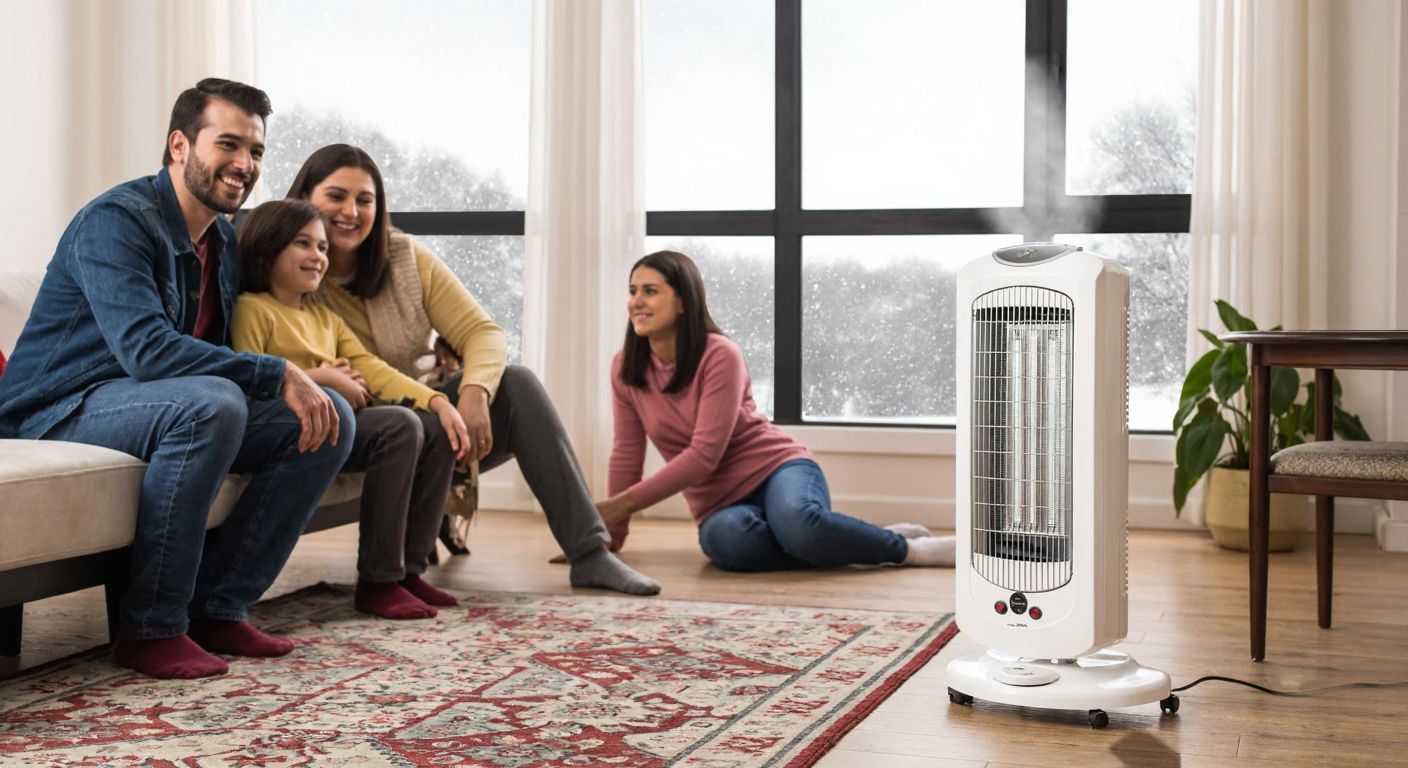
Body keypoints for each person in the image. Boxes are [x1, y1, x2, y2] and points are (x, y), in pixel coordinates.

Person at [0, 79, 353, 679]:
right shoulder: (116, 221)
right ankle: (152, 628)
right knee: (210, 404)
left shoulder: (220, 238)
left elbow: (206, 350)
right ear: (180, 146)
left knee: (326, 420)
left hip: (144, 407)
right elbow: (147, 351)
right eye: (229, 144)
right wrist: (277, 371)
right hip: (56, 410)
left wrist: (292, 383)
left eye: (257, 152)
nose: (244, 164)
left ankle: (218, 607)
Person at [285, 144, 659, 596]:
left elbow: (483, 333)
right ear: (305, 196)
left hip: (430, 410)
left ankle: (590, 553)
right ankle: (404, 560)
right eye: (336, 196)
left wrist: (475, 393)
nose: (351, 211)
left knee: (516, 384)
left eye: (365, 200)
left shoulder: (404, 257)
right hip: (367, 422)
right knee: (412, 422)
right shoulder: (285, 264)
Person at [599, 250, 956, 572]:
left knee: (799, 525)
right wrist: (611, 535)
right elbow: (627, 452)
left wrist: (617, 505)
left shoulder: (719, 354)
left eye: (650, 290)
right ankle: (862, 537)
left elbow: (703, 456)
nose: (636, 302)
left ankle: (909, 550)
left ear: (682, 301)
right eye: (633, 291)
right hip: (719, 502)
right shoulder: (625, 369)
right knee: (730, 545)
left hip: (776, 469)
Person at [231, 199, 470, 620]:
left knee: (431, 426)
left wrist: (438, 401)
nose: (318, 256)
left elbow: (371, 369)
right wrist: (324, 377)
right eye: (303, 244)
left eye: (323, 247)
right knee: (399, 425)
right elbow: (249, 378)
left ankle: (408, 571)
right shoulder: (254, 309)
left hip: (337, 426)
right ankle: (378, 583)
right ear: (267, 250)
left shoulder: (326, 319)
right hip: (291, 426)